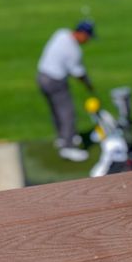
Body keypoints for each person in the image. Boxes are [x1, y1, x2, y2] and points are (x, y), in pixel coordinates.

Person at [37, 20, 96, 162]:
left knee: (56, 110)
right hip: (55, 81)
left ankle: (62, 138)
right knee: (67, 113)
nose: (87, 40)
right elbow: (78, 73)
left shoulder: (61, 33)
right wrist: (89, 85)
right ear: (82, 34)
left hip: (41, 76)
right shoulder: (74, 50)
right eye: (87, 37)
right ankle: (68, 148)